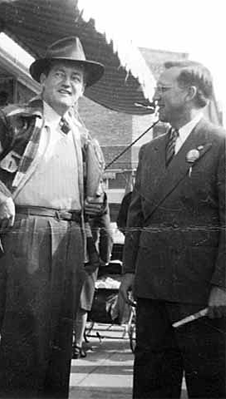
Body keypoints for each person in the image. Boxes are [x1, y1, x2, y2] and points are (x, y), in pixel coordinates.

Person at [0, 36, 105, 399]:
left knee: (62, 342)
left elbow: (95, 198)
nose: (68, 83)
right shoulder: (16, 119)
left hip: (72, 237)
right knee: (24, 339)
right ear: (42, 80)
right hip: (27, 232)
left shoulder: (84, 137)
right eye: (60, 73)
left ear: (82, 89)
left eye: (76, 78)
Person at [119, 60, 226, 398]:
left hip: (200, 294)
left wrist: (223, 285)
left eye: (163, 89)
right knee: (151, 385)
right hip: (151, 292)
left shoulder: (220, 144)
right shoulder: (149, 151)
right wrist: (129, 271)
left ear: (191, 93)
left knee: (209, 385)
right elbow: (137, 217)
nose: (155, 96)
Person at [73, 195, 113, 359]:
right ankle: (77, 344)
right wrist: (104, 256)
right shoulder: (97, 195)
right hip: (87, 253)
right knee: (82, 302)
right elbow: (106, 231)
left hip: (60, 250)